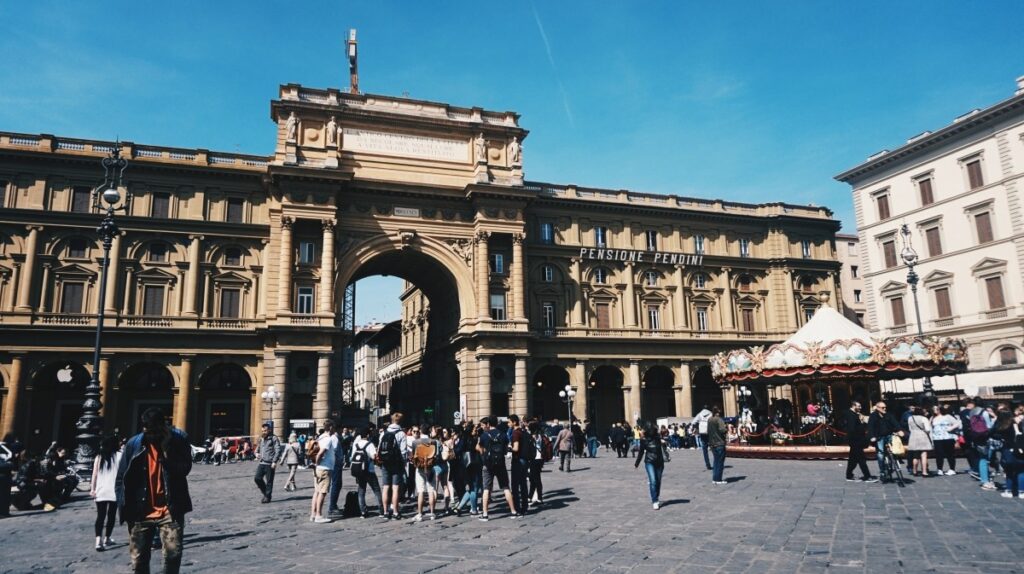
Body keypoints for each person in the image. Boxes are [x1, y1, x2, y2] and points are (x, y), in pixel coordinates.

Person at [115, 407, 192, 574]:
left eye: (154, 430)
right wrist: (124, 506)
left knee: (173, 556)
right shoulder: (133, 444)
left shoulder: (179, 440)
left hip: (170, 510)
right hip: (139, 510)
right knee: (139, 561)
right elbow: (121, 478)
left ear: (164, 427)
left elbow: (184, 469)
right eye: (147, 430)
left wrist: (166, 453)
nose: (150, 434)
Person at [477, 417, 517, 521]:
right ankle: (513, 511)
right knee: (506, 487)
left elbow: (479, 448)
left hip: (488, 465)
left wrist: (484, 454)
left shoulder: (484, 435)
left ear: (489, 424)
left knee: (486, 489)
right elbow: (506, 450)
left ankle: (485, 514)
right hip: (500, 464)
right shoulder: (503, 434)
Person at [90, 436, 122, 551]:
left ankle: (98, 540)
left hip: (101, 490)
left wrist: (92, 489)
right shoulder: (119, 456)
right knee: (111, 516)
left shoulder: (99, 457)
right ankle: (107, 538)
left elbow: (94, 475)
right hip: (114, 491)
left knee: (100, 516)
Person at [377, 412, 409, 520]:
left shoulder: (384, 432)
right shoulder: (401, 434)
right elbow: (403, 451)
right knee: (395, 488)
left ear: (391, 420)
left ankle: (385, 512)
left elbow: (379, 449)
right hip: (397, 463)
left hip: (385, 462)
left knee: (386, 487)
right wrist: (404, 464)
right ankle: (395, 512)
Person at [350, 426, 385, 517]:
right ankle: (381, 511)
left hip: (359, 471)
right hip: (369, 470)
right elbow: (374, 457)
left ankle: (363, 512)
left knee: (361, 491)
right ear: (368, 434)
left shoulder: (356, 444)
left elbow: (353, 456)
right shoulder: (369, 444)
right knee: (376, 490)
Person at [634, 423, 670, 509]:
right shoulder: (643, 440)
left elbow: (665, 446)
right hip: (649, 462)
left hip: (659, 462)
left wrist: (664, 443)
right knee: (653, 481)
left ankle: (656, 496)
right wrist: (637, 464)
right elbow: (641, 452)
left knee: (658, 481)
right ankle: (655, 500)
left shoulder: (658, 438)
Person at [867, 401, 903, 481]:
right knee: (880, 454)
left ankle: (893, 463)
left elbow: (895, 422)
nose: (884, 409)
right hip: (879, 437)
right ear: (877, 408)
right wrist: (872, 436)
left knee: (894, 450)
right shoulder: (873, 416)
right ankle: (882, 471)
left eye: (885, 407)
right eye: (882, 407)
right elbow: (870, 427)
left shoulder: (888, 415)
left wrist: (900, 430)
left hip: (889, 435)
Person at [411, 425, 440, 521]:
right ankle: (432, 513)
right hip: (431, 468)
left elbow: (413, 456)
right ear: (429, 431)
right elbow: (437, 455)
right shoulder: (434, 442)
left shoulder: (415, 442)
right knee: (431, 490)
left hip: (420, 469)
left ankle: (420, 514)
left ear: (420, 431)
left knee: (420, 491)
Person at [310, 421, 337, 523]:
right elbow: (321, 453)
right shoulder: (328, 439)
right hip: (324, 468)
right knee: (322, 492)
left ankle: (313, 514)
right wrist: (317, 463)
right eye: (334, 428)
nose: (335, 430)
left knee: (316, 491)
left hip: (319, 468)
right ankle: (318, 515)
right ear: (330, 428)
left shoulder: (320, 437)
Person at [842, 401, 877, 482]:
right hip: (855, 440)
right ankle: (867, 476)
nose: (860, 407)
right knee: (861, 459)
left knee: (852, 459)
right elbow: (852, 429)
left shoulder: (853, 414)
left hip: (854, 440)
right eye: (859, 406)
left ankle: (849, 475)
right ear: (854, 406)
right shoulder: (851, 415)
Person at [454, 424, 481, 516]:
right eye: (474, 429)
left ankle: (459, 507)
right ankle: (473, 509)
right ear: (470, 430)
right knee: (474, 488)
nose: (476, 431)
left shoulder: (463, 439)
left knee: (470, 489)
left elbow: (457, 450)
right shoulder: (474, 440)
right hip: (475, 464)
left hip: (464, 465)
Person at [996, 409, 1023, 499]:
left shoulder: (1003, 426)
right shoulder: (1019, 423)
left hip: (1008, 450)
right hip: (1020, 449)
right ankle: (1022, 492)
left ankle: (1009, 491)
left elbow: (992, 433)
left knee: (1009, 472)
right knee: (1021, 471)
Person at [508, 415, 532, 516]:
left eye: (509, 422)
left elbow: (516, 448)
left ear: (514, 422)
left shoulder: (515, 433)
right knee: (523, 485)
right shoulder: (523, 432)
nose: (508, 424)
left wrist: (508, 448)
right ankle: (525, 507)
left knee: (515, 485)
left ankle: (517, 507)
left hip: (518, 461)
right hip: (525, 460)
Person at [254, 423, 283, 503]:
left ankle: (267, 497)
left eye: (266, 430)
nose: (264, 432)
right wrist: (256, 453)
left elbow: (278, 450)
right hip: (262, 462)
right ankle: (266, 493)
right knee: (257, 478)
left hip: (270, 463)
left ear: (269, 430)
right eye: (263, 431)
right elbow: (257, 449)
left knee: (269, 481)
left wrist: (274, 461)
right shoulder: (261, 438)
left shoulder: (274, 438)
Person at [930, 405, 961, 476]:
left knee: (950, 454)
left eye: (936, 409)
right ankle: (939, 469)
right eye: (933, 409)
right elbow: (930, 428)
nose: (935, 410)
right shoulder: (932, 418)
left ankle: (952, 469)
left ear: (940, 410)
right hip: (937, 438)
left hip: (948, 437)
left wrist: (951, 428)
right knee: (938, 454)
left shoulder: (947, 416)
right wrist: (931, 439)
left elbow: (957, 423)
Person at [907, 406, 933, 477]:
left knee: (915, 455)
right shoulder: (924, 418)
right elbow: (928, 429)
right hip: (923, 436)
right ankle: (924, 472)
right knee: (924, 455)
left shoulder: (910, 418)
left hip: (913, 436)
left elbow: (910, 429)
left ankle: (915, 471)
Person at [706, 406, 728, 484]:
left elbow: (708, 431)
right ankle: (718, 479)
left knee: (715, 461)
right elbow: (723, 430)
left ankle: (715, 478)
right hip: (719, 443)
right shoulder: (719, 420)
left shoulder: (709, 420)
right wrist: (726, 428)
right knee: (720, 462)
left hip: (712, 443)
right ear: (718, 412)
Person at [528, 422, 547, 505]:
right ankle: (530, 496)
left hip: (534, 459)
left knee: (536, 479)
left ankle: (539, 498)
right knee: (533, 479)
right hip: (539, 459)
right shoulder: (541, 435)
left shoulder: (533, 436)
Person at [0, 433, 18, 518]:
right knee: (4, 494)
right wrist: (10, 465)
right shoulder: (6, 448)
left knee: (5, 494)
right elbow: (10, 460)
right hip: (4, 473)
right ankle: (3, 512)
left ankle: (4, 512)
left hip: (5, 474)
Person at [691, 406, 713, 470]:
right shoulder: (711, 413)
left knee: (704, 449)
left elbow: (693, 422)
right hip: (710, 432)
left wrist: (697, 426)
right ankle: (716, 462)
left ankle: (707, 464)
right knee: (713, 447)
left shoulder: (699, 414)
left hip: (702, 432)